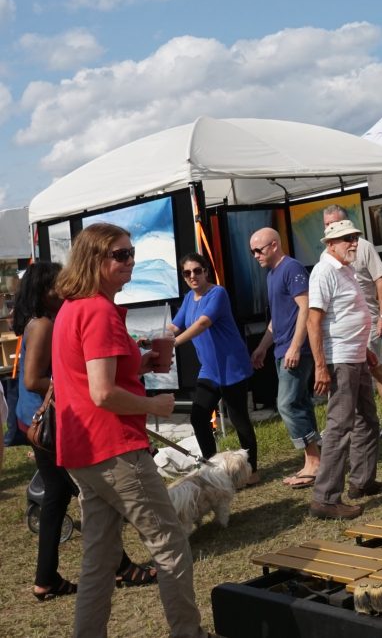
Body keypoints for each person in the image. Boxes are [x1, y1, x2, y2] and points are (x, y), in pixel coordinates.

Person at [51, 223, 206, 638]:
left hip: (83, 453)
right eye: (119, 255)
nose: (129, 261)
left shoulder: (73, 308)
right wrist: (154, 404)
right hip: (114, 449)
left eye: (131, 253)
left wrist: (142, 364)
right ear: (94, 260)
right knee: (170, 545)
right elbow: (102, 393)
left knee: (99, 560)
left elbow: (90, 377)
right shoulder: (98, 310)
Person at [15, 262, 157, 602]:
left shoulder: (46, 322)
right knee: (93, 493)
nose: (66, 289)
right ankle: (120, 567)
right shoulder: (44, 325)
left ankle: (46, 578)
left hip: (45, 421)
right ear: (45, 290)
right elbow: (34, 380)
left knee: (58, 497)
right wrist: (81, 382)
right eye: (58, 285)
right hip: (53, 422)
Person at [307, 220, 382, 520]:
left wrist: (366, 350)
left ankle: (362, 481)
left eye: (355, 237)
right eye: (346, 239)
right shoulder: (324, 272)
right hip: (340, 358)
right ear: (330, 244)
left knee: (367, 419)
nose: (353, 243)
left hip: (355, 355)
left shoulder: (346, 270)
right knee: (340, 426)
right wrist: (321, 366)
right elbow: (313, 321)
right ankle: (325, 498)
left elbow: (350, 313)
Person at [169, 253, 259, 484]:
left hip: (232, 367)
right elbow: (173, 326)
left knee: (238, 419)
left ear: (206, 271)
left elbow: (203, 323)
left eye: (197, 270)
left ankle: (252, 471)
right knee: (198, 416)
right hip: (209, 370)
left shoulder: (217, 293)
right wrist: (153, 340)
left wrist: (174, 343)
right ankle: (213, 468)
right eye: (187, 273)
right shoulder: (189, 298)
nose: (193, 276)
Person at [323, 205, 382, 438]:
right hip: (341, 326)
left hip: (367, 320)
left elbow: (381, 280)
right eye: (327, 225)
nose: (331, 228)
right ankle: (341, 423)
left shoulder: (363, 246)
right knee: (342, 374)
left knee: (375, 367)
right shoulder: (326, 257)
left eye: (335, 224)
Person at [249, 227, 320, 488]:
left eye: (259, 249)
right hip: (281, 350)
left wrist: (295, 345)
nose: (255, 255)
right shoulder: (271, 275)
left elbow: (306, 308)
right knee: (299, 403)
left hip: (296, 351)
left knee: (287, 404)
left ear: (275, 245)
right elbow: (277, 320)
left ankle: (314, 462)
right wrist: (262, 347)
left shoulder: (291, 268)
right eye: (252, 251)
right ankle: (315, 459)